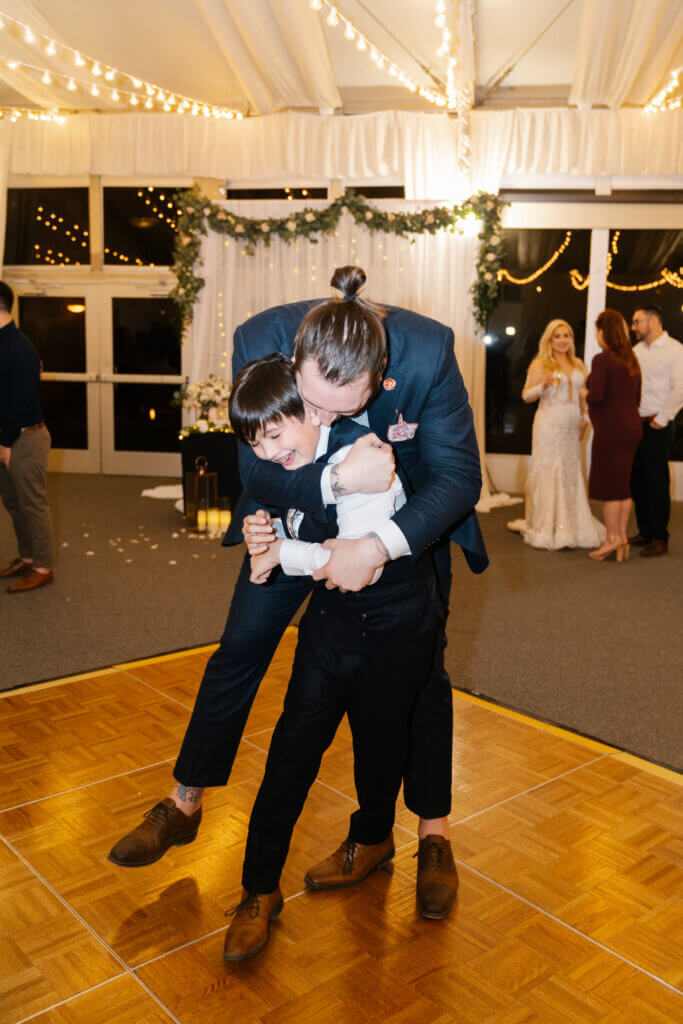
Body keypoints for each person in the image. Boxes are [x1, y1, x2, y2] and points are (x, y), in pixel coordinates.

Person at [109, 266, 487, 921]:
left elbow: (455, 477)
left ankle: (431, 836)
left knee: (425, 676)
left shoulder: (427, 353)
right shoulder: (264, 335)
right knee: (240, 647)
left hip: (404, 528)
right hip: (290, 523)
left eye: (338, 408)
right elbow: (256, 462)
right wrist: (331, 490)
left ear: (379, 375)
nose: (316, 418)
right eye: (308, 401)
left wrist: (376, 546)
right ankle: (185, 801)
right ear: (293, 358)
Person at [222, 353, 442, 960]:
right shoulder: (287, 461)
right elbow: (272, 494)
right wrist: (261, 533)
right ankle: (258, 888)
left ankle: (372, 840)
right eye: (255, 442)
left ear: (311, 408)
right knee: (290, 754)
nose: (266, 451)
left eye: (275, 434)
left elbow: (348, 568)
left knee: (381, 750)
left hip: (394, 629)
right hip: (329, 631)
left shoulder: (363, 461)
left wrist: (277, 557)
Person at [507, 318, 604, 549]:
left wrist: (585, 419)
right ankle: (547, 526)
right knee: (550, 469)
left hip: (572, 426)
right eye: (557, 336)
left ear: (571, 339)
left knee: (571, 469)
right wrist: (544, 385)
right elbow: (526, 395)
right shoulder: (541, 363)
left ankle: (572, 524)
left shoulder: (579, 363)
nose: (562, 340)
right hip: (548, 424)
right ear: (549, 340)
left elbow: (583, 395)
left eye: (566, 335)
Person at [0, 280, 54, 593]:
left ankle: (43, 567)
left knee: (33, 504)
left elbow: (20, 401)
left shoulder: (21, 347)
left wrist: (6, 443)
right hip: (7, 437)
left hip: (25, 438)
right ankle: (28, 556)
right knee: (13, 502)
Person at [583, 310, 642, 562]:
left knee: (610, 488)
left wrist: (583, 394)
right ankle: (622, 537)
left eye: (597, 330)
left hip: (611, 431)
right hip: (632, 427)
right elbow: (636, 398)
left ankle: (611, 540)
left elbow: (596, 396)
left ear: (603, 332)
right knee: (623, 486)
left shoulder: (602, 359)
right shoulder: (632, 359)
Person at [629, 305, 683, 557]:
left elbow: (680, 389)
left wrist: (662, 419)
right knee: (637, 479)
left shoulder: (676, 350)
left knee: (657, 481)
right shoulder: (635, 351)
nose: (633, 326)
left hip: (658, 425)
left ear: (653, 321)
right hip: (636, 424)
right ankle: (645, 530)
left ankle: (660, 536)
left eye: (637, 321)